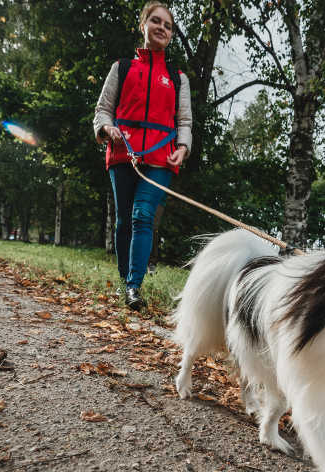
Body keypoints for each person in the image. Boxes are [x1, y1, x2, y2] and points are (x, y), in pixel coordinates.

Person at [93, 2, 192, 310]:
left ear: (171, 34)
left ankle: (134, 287)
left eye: (168, 25)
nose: (162, 28)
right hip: (124, 153)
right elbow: (102, 110)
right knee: (124, 221)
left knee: (143, 216)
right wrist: (106, 128)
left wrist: (183, 148)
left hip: (161, 158)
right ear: (144, 25)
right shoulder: (122, 68)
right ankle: (126, 279)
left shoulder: (178, 78)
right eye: (156, 21)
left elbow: (184, 122)